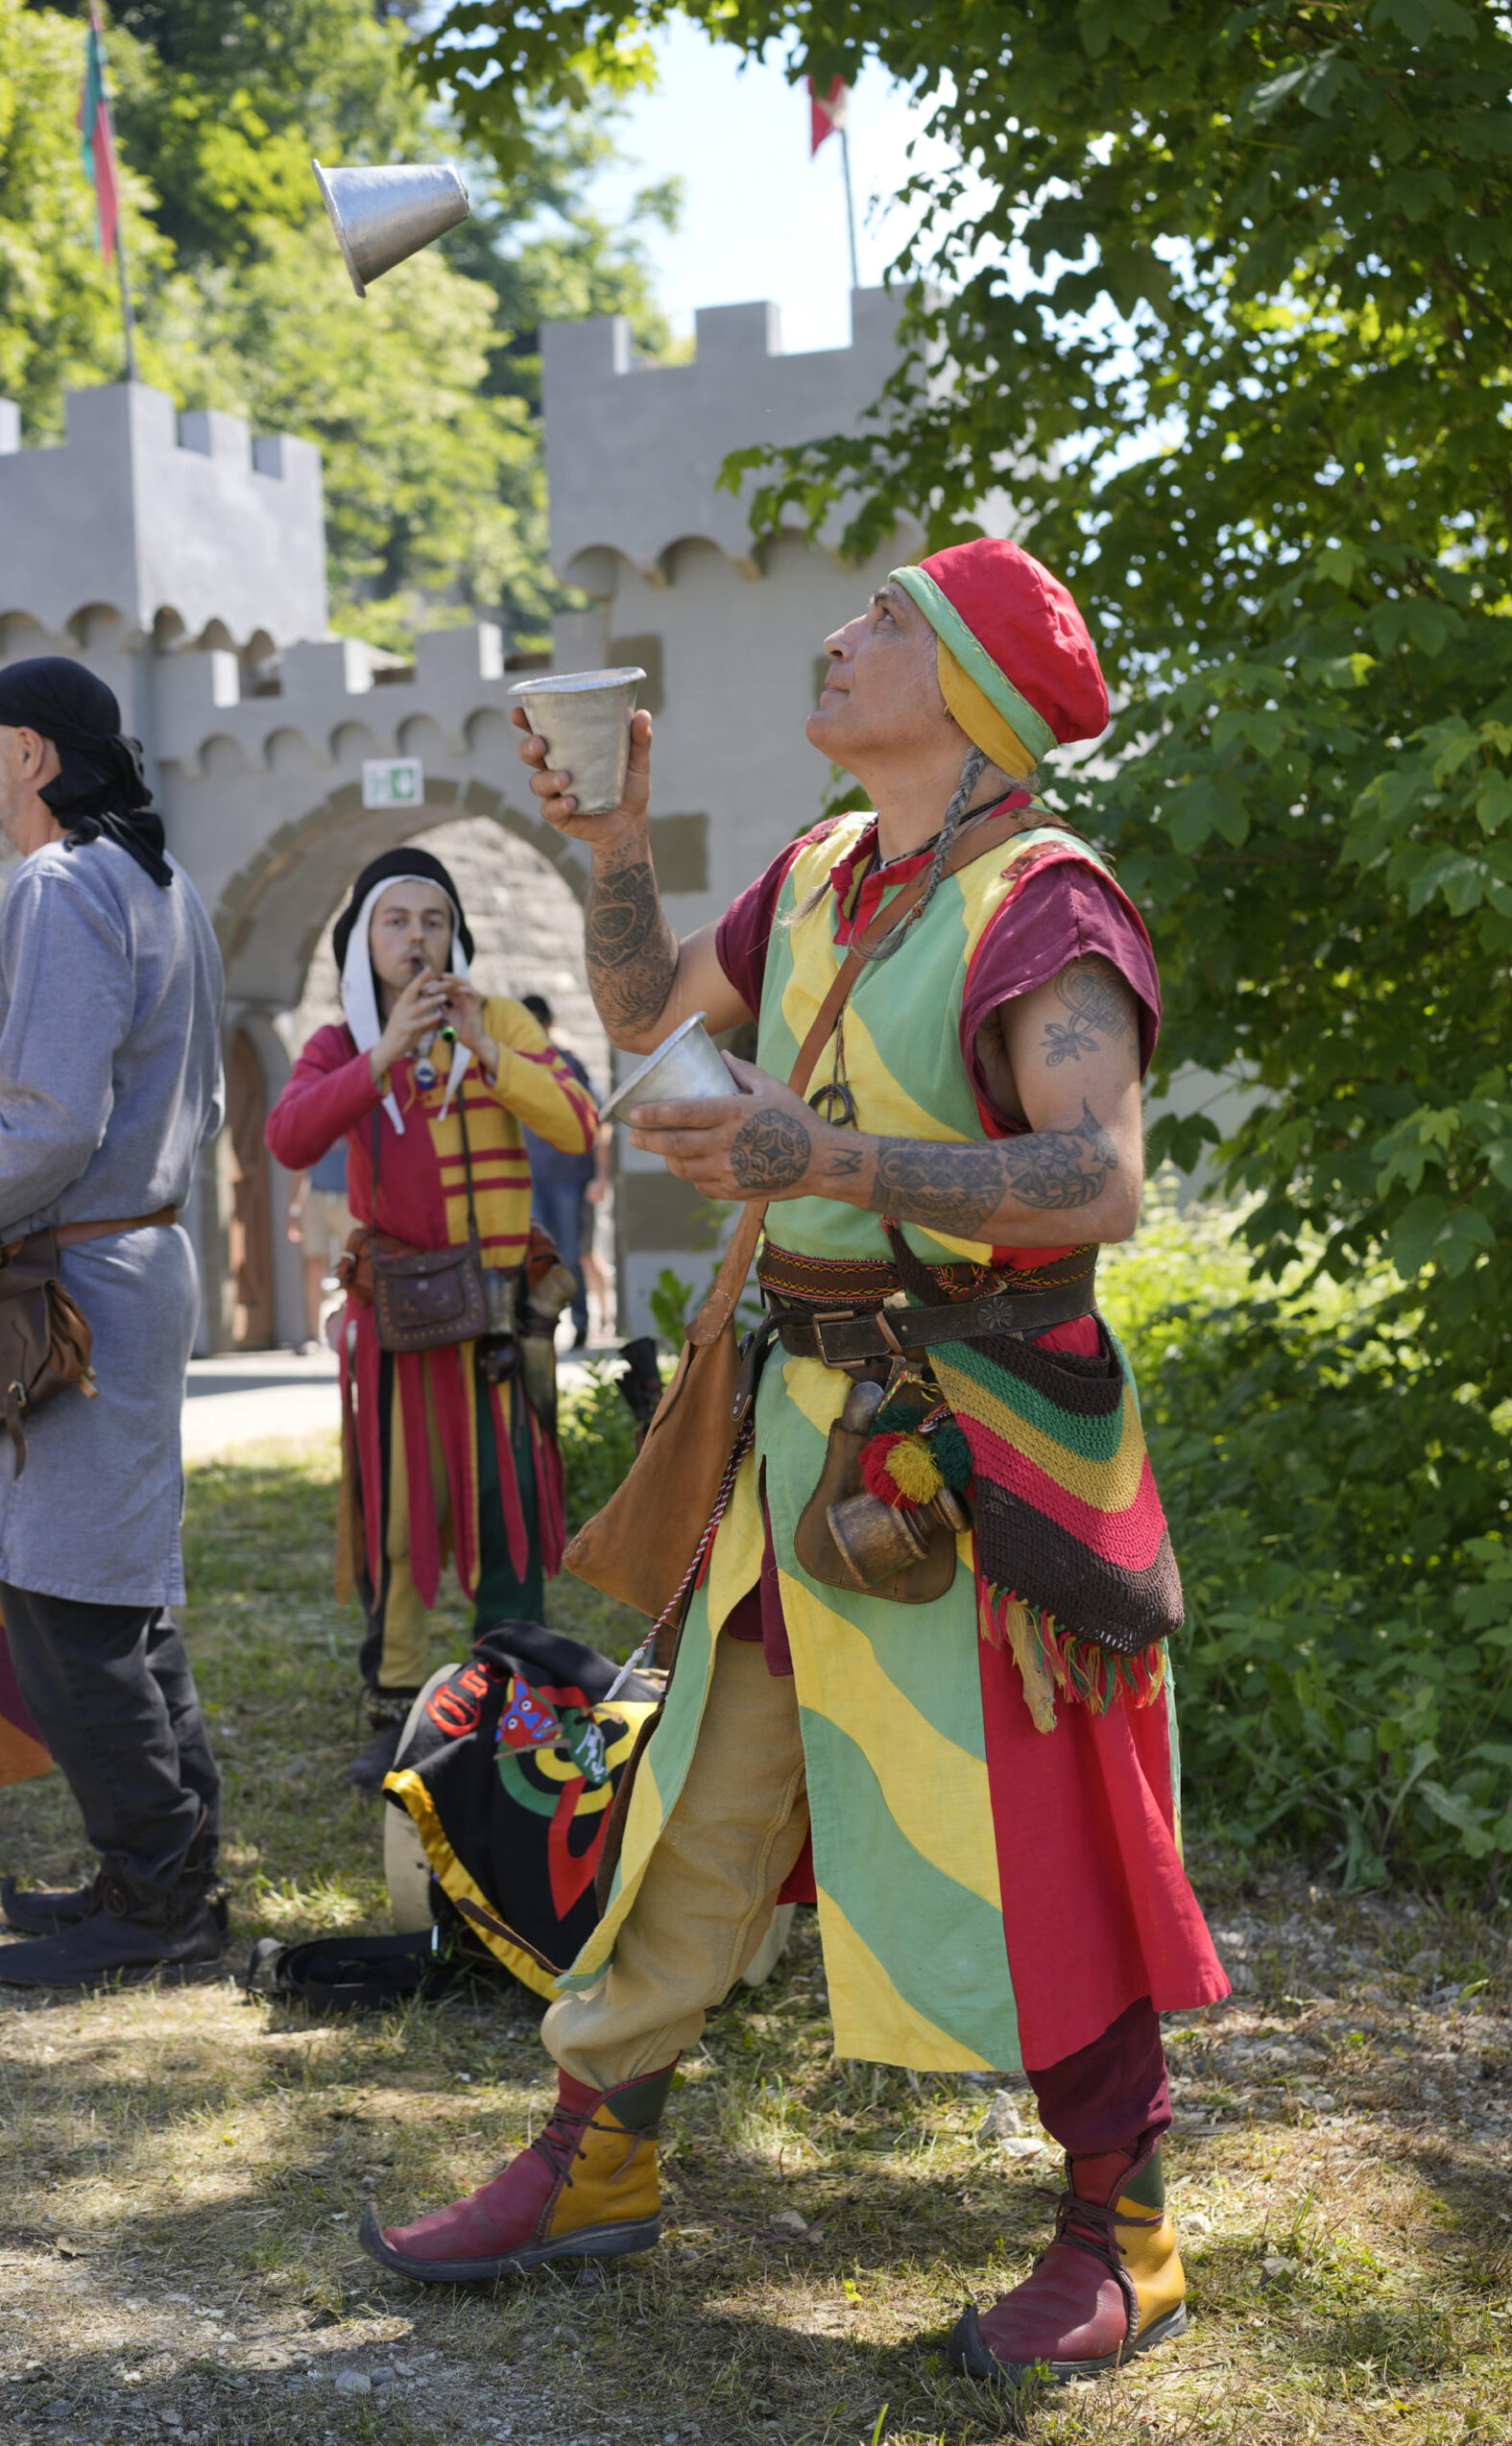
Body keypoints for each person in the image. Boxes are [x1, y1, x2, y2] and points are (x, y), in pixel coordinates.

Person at [363, 540, 1230, 2381]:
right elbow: (642, 1014)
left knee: (1037, 1822)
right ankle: (596, 2152)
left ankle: (1125, 2230)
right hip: (798, 1434)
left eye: (889, 618)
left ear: (973, 690)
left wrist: (822, 1164)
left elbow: (1098, 1181)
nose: (841, 636)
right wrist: (613, 838)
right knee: (696, 1787)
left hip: (978, 1448)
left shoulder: (1046, 905)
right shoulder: (824, 871)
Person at [265, 848, 600, 1787]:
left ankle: (514, 1700)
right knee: (399, 1514)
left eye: (435, 920)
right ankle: (399, 1705)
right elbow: (289, 1136)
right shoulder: (340, 1042)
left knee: (506, 1506)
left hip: (499, 1321)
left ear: (457, 936)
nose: (417, 938)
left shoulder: (502, 1022)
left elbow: (578, 1124)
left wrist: (488, 1050)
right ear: (362, 940)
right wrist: (382, 1055)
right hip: (401, 1325)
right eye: (397, 920)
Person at [0, 657, 228, 1989]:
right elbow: (191, 1107)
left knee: (59, 1593)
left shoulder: (61, 881)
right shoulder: (163, 880)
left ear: (30, 753)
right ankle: (171, 1876)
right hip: (134, 1257)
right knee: (118, 1590)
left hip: (78, 1274)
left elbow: (46, 1127)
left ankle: (156, 1909)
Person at [518, 994, 605, 1350]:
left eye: (538, 1021)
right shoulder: (512, 1067)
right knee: (538, 1258)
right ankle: (543, 1330)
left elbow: (597, 1120)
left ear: (549, 1023)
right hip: (532, 1178)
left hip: (570, 1176)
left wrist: (601, 1177)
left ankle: (581, 1323)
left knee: (570, 1253)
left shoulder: (569, 1064)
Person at [286, 1139, 350, 1352]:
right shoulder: (315, 1122)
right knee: (314, 1265)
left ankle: (352, 1328)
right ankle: (314, 1335)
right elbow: (301, 1164)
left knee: (354, 1266)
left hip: (350, 1197)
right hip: (315, 1196)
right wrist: (294, 1205)